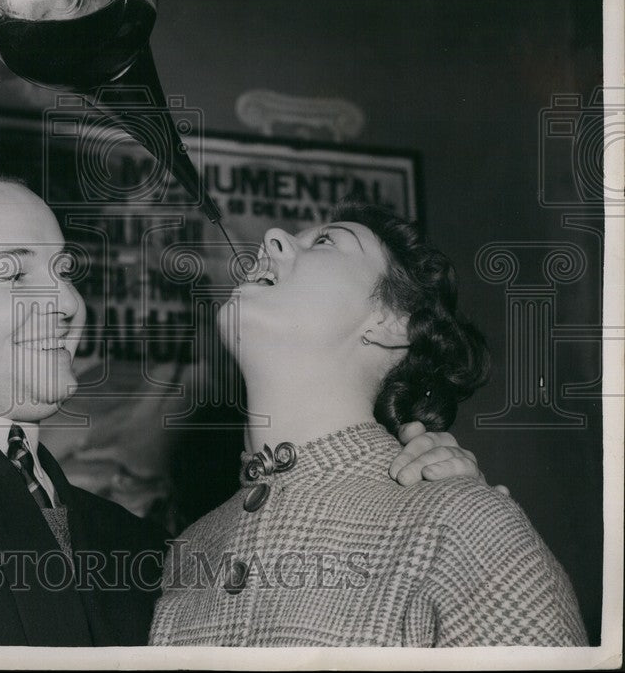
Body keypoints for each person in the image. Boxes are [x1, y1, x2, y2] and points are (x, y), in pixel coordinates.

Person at [0, 7, 489, 645]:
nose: (63, 302)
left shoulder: (152, 558)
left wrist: (419, 495)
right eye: (12, 269)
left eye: (64, 269)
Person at [148, 203, 587, 646]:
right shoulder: (189, 551)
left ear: (393, 322)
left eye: (324, 241)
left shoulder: (467, 528)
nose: (272, 237)